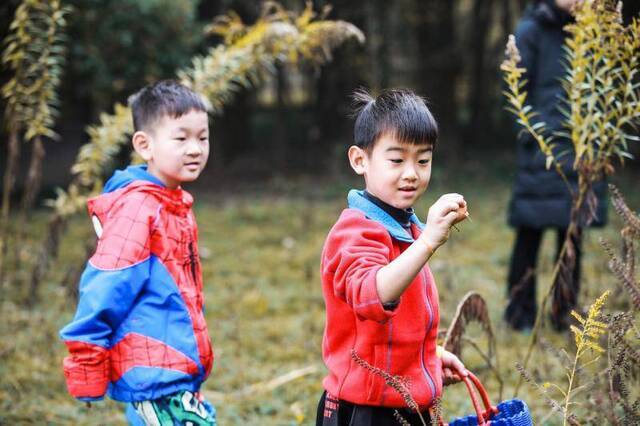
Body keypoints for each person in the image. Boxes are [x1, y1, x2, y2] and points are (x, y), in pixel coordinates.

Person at [59, 80, 216, 425]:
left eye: (202, 137)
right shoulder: (138, 210)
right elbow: (105, 287)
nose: (195, 148)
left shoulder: (173, 203)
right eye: (181, 138)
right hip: (154, 378)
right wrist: (86, 362)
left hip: (177, 372)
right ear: (145, 145)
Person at [316, 88, 469, 426]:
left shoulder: (405, 227)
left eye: (423, 160)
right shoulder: (355, 231)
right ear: (360, 160)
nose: (412, 172)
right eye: (397, 160)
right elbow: (374, 293)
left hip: (405, 405)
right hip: (366, 413)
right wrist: (428, 241)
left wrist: (428, 357)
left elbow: (394, 330)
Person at [504, 0, 607, 332]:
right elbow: (514, 90)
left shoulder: (592, 33)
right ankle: (518, 315)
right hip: (542, 149)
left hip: (580, 152)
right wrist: (535, 137)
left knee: (572, 234)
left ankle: (564, 314)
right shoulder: (530, 30)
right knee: (529, 231)